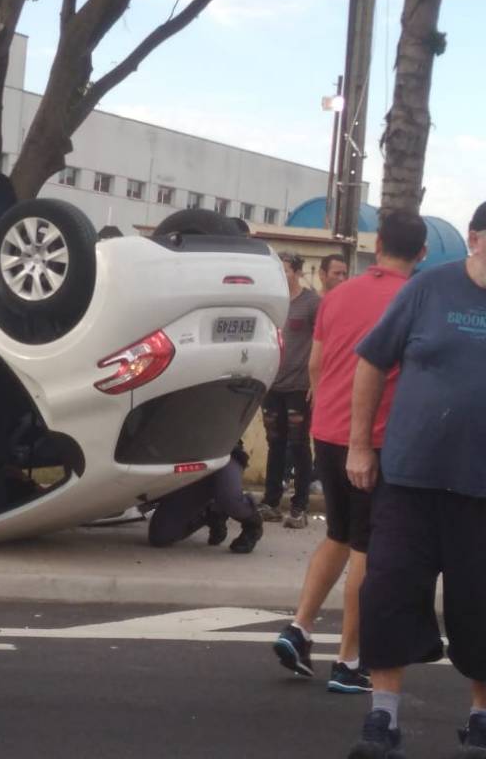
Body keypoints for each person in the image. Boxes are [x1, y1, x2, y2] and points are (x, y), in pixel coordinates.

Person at [344, 202, 486, 759]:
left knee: (482, 605)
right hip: (410, 479)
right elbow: (372, 361)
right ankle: (383, 718)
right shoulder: (428, 290)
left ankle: (480, 721)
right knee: (389, 594)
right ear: (476, 239)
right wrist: (359, 444)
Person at [272, 211, 426, 696]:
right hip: (375, 441)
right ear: (421, 254)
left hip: (329, 430)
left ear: (376, 244)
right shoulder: (413, 299)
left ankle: (299, 627)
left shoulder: (337, 296)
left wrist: (326, 411)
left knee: (338, 535)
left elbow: (316, 364)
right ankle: (349, 660)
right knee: (367, 548)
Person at [256, 252, 320, 528]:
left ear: (297, 272)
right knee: (275, 443)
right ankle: (271, 502)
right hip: (272, 383)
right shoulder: (271, 303)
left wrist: (317, 382)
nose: (282, 276)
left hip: (299, 386)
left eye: (286, 271)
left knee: (298, 443)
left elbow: (322, 342)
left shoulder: (312, 303)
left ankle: (299, 506)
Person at [146, 443, 264, 554]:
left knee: (231, 499)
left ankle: (252, 525)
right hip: (184, 461)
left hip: (222, 452)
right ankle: (209, 512)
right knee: (161, 536)